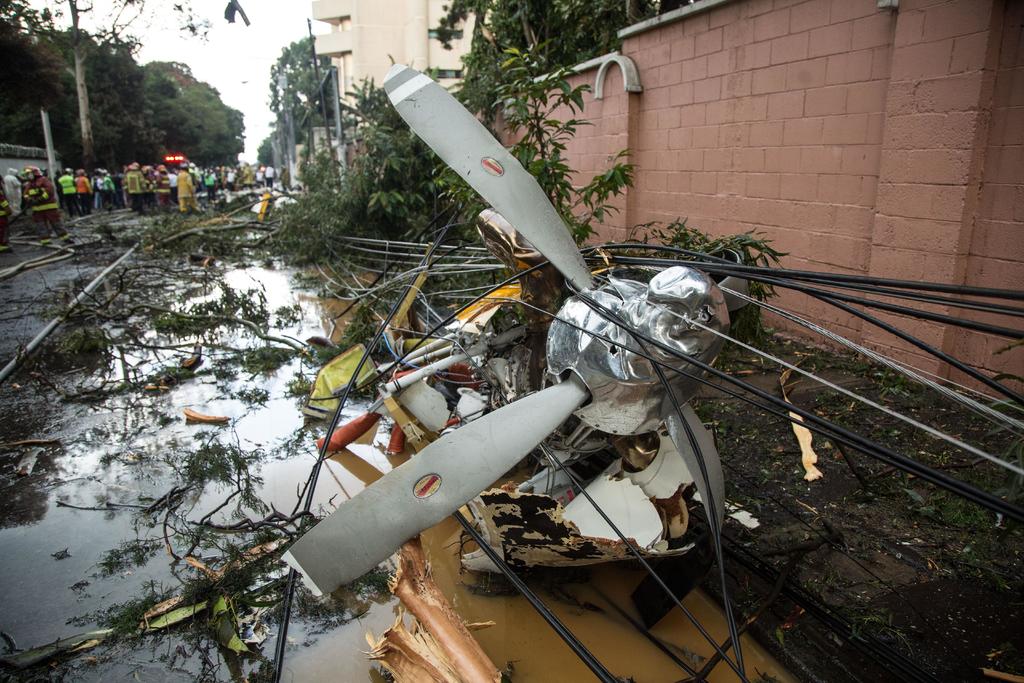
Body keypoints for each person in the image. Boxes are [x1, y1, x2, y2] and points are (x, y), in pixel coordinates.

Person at [21, 166, 70, 244]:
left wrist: (40, 199)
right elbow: (25, 194)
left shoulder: (43, 180)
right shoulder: (29, 184)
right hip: (37, 209)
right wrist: (29, 199)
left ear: (34, 173)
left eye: (29, 174)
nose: (27, 176)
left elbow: (49, 191)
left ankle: (65, 238)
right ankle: (45, 240)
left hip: (49, 207)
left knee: (56, 222)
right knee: (41, 224)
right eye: (26, 174)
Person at [0, 184, 11, 253]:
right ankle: (2, 246)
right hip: (1, 217)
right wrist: (8, 210)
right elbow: (3, 202)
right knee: (2, 231)